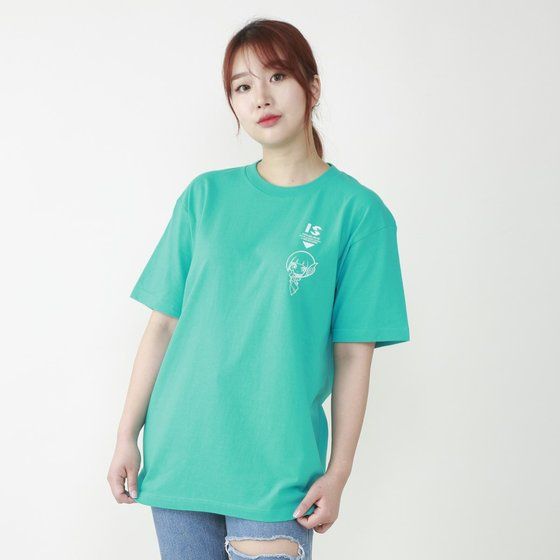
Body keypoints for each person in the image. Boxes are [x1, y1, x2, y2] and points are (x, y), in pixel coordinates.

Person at [107, 18, 410, 560]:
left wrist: (338, 472)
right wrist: (127, 435)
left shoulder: (358, 213)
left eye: (277, 76)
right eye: (243, 86)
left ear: (312, 86)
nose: (261, 98)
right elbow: (163, 326)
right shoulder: (204, 197)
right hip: (181, 453)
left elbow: (352, 354)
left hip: (277, 465)